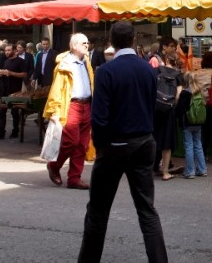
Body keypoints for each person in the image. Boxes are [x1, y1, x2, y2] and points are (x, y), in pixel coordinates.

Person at [78, 21, 168, 263]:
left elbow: (100, 117)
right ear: (133, 41)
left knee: (97, 212)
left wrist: (102, 146)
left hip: (114, 145)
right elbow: (152, 106)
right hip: (143, 141)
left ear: (112, 42)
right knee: (147, 210)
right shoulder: (148, 70)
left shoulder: (107, 71)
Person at [44, 33, 95, 190]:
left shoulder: (87, 62)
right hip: (71, 105)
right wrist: (53, 110)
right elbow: (57, 88)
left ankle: (74, 178)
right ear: (74, 46)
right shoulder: (65, 64)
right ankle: (54, 165)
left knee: (82, 144)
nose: (87, 45)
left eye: (87, 42)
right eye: (83, 43)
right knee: (70, 141)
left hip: (87, 105)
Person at [152, 38, 183, 181]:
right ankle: (165, 171)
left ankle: (149, 169)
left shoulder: (158, 70)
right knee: (167, 143)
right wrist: (171, 103)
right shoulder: (178, 76)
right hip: (168, 111)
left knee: (153, 138)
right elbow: (178, 96)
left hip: (155, 108)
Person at [0, 43, 28, 140]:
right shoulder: (5, 61)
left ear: (14, 51)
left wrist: (11, 73)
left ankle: (15, 131)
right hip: (4, 89)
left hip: (15, 90)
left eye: (9, 50)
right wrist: (1, 73)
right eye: (6, 50)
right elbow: (3, 73)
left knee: (14, 111)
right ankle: (1, 132)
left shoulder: (21, 61)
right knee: (2, 111)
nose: (7, 52)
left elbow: (24, 74)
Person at [178, 69, 207, 179]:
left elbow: (181, 109)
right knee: (198, 144)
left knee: (189, 146)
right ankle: (202, 169)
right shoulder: (199, 91)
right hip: (198, 122)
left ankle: (190, 171)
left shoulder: (185, 93)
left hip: (187, 122)